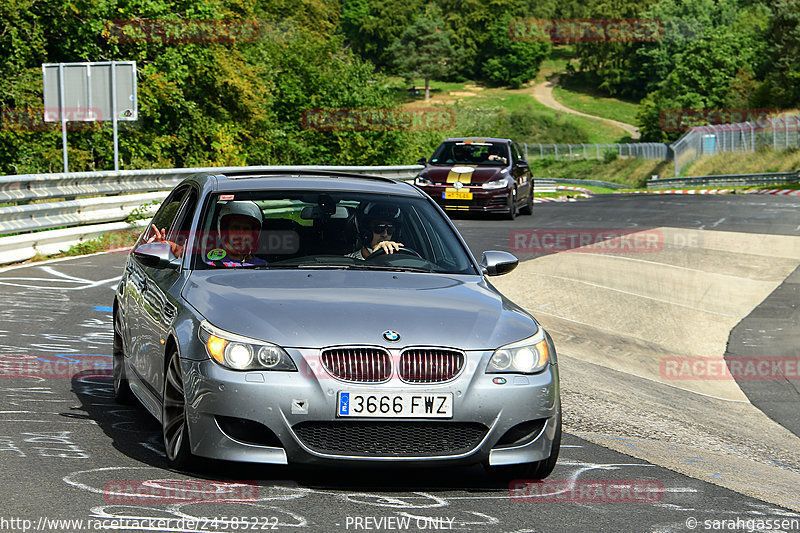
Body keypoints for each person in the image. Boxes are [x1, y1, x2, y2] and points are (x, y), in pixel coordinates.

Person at [205, 200, 267, 267]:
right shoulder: (208, 262)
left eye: (246, 230)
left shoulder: (262, 266)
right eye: (236, 228)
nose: (240, 235)